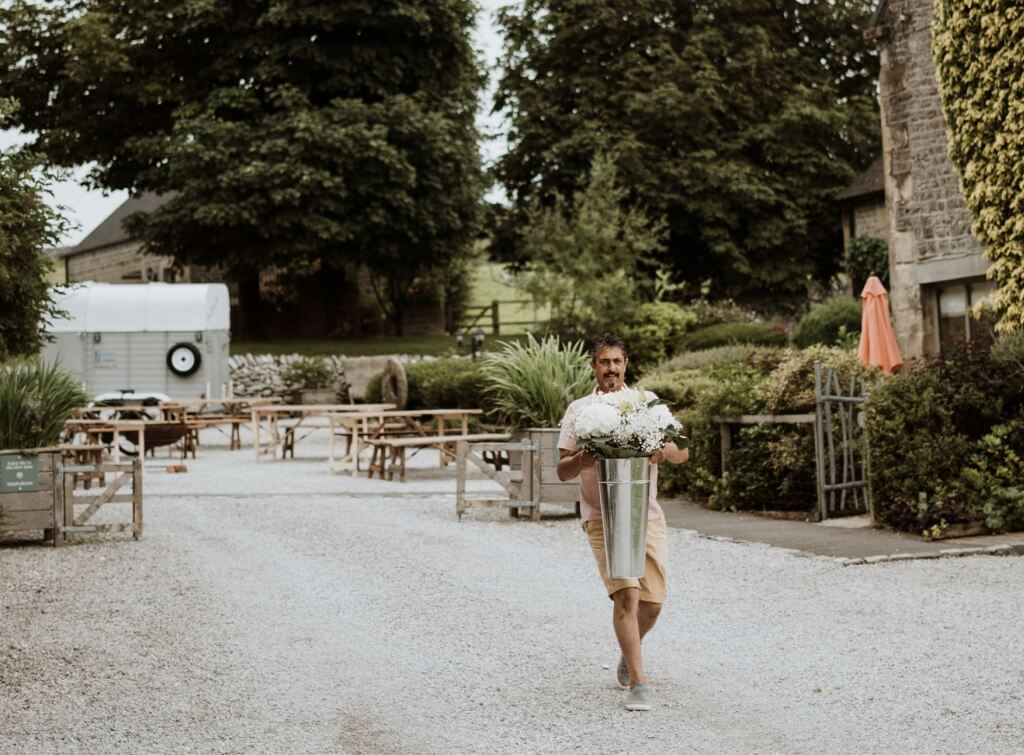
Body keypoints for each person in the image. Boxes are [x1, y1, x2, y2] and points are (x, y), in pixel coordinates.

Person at [557, 334, 689, 712]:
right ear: (593, 366)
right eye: (603, 362)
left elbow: (684, 451)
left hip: (645, 515)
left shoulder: (648, 404)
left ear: (626, 364)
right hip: (602, 517)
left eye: (617, 361)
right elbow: (562, 469)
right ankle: (639, 682)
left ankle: (629, 654)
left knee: (653, 603)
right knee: (626, 594)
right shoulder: (579, 410)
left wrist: (664, 450)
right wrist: (582, 459)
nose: (611, 368)